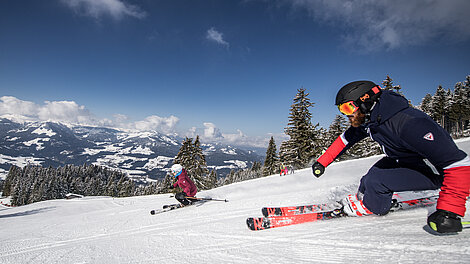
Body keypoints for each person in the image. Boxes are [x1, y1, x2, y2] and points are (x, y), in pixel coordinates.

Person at [311, 80, 470, 233]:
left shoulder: (410, 123)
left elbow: (458, 164)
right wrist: (322, 163)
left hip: (435, 172)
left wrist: (449, 211)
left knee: (377, 180)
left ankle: (374, 207)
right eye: (342, 110)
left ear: (366, 101)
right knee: (368, 179)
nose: (346, 115)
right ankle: (367, 200)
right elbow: (345, 140)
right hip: (408, 161)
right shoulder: (371, 122)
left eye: (347, 108)